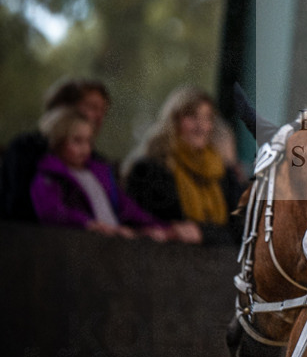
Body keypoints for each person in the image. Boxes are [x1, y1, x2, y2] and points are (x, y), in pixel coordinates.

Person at [122, 86, 244, 245]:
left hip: (218, 265)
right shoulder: (149, 169)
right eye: (192, 117)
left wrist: (203, 234)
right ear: (174, 120)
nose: (201, 127)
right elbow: (142, 224)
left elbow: (242, 231)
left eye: (207, 118)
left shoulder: (223, 173)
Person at [30, 106, 174, 240]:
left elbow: (129, 209)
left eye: (88, 141)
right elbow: (52, 212)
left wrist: (161, 227)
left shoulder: (101, 175)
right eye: (77, 141)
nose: (85, 148)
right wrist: (88, 224)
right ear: (57, 141)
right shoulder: (49, 177)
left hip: (113, 243)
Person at [2, 77, 112, 222]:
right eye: (92, 107)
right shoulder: (26, 150)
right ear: (62, 107)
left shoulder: (96, 162)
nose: (99, 116)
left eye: (103, 111)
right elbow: (18, 207)